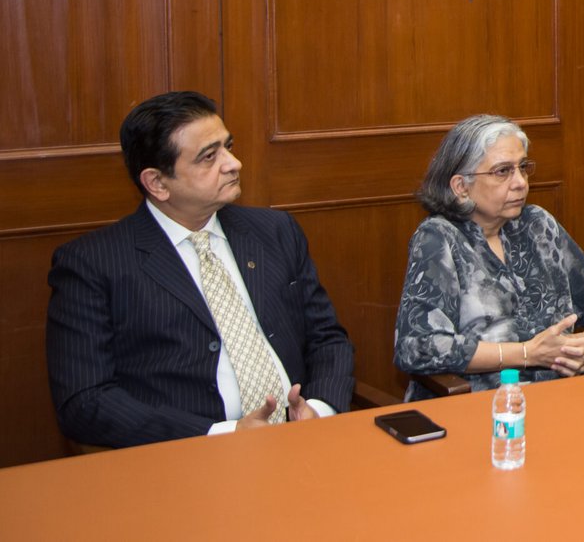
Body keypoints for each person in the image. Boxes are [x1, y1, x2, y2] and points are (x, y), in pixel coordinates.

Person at [46, 91, 354, 448]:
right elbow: (84, 401)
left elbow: (327, 338)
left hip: (303, 441)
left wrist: (319, 409)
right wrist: (219, 434)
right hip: (187, 456)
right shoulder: (92, 264)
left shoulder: (274, 231)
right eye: (209, 157)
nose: (234, 163)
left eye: (228, 146)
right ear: (157, 183)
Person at [394, 114, 584, 399]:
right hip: (481, 406)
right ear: (461, 187)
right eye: (502, 171)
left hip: (562, 398)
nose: (520, 182)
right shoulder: (438, 238)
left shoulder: (537, 225)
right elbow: (417, 346)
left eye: (523, 167)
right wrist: (528, 353)